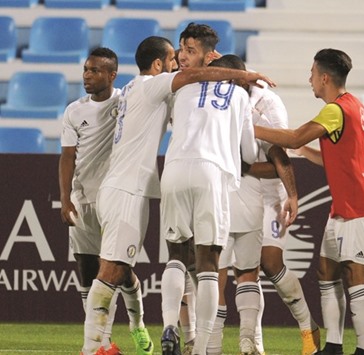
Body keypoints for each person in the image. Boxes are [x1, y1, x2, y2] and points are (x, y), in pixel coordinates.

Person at [81, 35, 275, 355]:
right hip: (130, 188)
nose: (178, 63)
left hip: (137, 183)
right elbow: (195, 77)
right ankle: (92, 348)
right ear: (158, 65)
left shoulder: (135, 89)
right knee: (115, 269)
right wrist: (242, 75)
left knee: (163, 261)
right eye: (174, 58)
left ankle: (124, 340)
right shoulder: (155, 84)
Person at [254, 48, 364, 355]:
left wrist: (248, 127)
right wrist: (303, 154)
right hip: (345, 204)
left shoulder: (335, 110)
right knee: (326, 271)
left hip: (358, 206)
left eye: (312, 73)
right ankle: (334, 346)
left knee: (355, 273)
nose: (309, 79)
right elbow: (337, 160)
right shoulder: (354, 106)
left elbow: (297, 136)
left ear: (324, 77)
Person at [159, 28, 268, 353]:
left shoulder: (181, 86)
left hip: (175, 167)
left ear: (209, 57)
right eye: (181, 49)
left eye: (188, 49)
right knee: (208, 262)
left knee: (176, 256)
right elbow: (247, 153)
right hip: (213, 173)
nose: (181, 55)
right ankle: (204, 344)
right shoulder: (238, 95)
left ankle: (168, 326)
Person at [206, 53, 320, 355]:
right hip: (231, 191)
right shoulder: (222, 100)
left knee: (269, 264)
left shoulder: (268, 105)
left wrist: (292, 195)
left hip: (268, 192)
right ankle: (244, 345)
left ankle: (308, 327)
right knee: (222, 271)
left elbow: (278, 159)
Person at [59, 47, 123, 355]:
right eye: (86, 69)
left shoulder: (125, 102)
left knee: (112, 269)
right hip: (82, 199)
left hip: (113, 199)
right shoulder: (74, 110)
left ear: (112, 75)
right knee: (86, 268)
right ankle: (102, 343)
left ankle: (111, 337)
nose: (87, 75)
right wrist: (65, 198)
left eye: (95, 70)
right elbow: (67, 156)